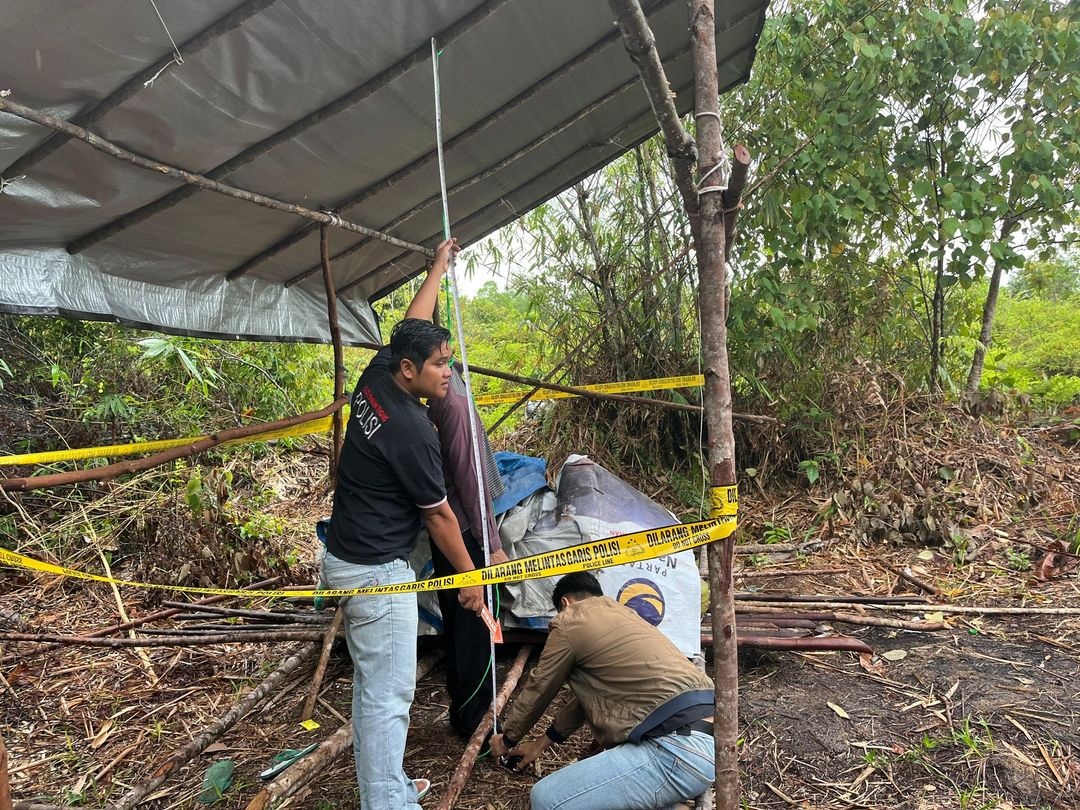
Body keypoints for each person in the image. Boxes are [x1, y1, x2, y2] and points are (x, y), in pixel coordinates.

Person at [321, 237, 484, 810]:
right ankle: (388, 803)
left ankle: (384, 790)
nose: (448, 373)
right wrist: (469, 580)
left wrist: (437, 267)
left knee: (373, 690)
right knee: (389, 697)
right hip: (376, 573)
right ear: (411, 369)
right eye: (441, 365)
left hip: (345, 554)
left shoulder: (379, 376)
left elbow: (414, 319)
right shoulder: (413, 433)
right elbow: (440, 518)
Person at [490, 572, 715, 810]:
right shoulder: (625, 616)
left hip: (673, 751)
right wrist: (540, 744)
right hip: (706, 742)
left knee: (547, 799)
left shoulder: (570, 620)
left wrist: (507, 739)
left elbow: (540, 687)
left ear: (565, 603)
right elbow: (586, 703)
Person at [423, 273, 508, 738]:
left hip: (452, 526)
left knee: (460, 614)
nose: (446, 366)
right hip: (466, 530)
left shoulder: (444, 387)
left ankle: (464, 705)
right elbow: (470, 479)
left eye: (447, 359)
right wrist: (491, 546)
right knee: (475, 622)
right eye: (439, 361)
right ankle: (475, 717)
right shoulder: (451, 404)